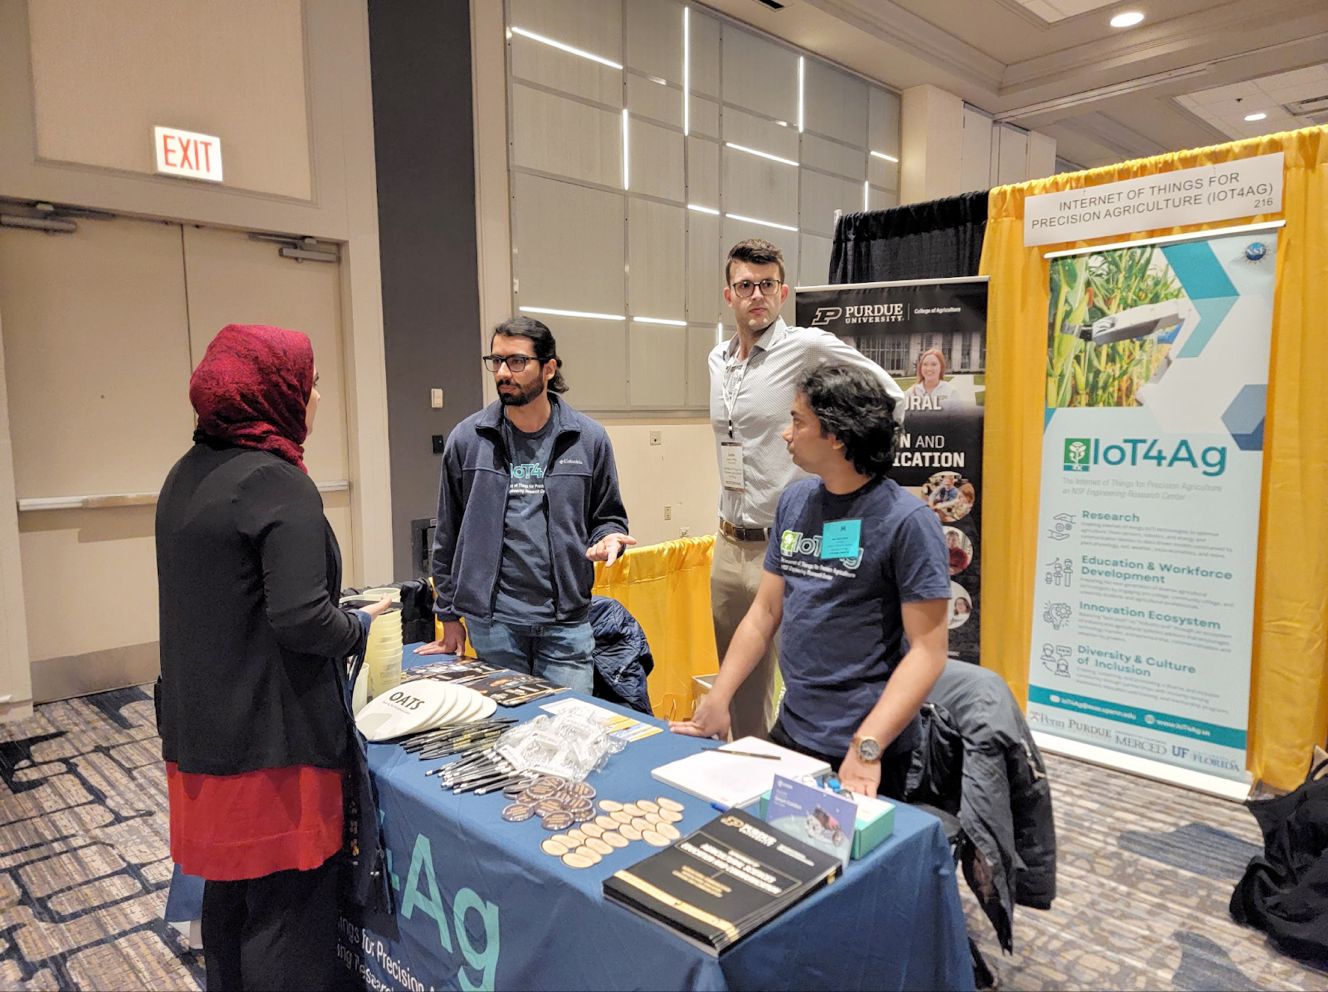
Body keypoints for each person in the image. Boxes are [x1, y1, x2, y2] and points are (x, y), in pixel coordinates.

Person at [155, 323, 392, 991]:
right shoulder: (277, 481)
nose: (317, 396)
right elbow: (302, 619)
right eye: (311, 383)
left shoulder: (188, 472)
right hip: (274, 745)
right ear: (279, 392)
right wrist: (359, 627)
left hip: (201, 734)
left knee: (230, 901)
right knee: (287, 917)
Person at [676, 364, 949, 798]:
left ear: (837, 435)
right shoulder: (796, 501)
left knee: (851, 864)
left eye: (798, 421)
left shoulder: (908, 523)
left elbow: (928, 652)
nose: (786, 433)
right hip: (796, 730)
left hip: (867, 749)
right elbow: (764, 613)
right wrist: (719, 696)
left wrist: (868, 746)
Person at [709, 238, 904, 741]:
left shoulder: (807, 347)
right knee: (742, 687)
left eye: (767, 285)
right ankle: (748, 784)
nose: (757, 295)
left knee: (811, 678)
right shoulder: (718, 360)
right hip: (730, 542)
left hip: (794, 543)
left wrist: (849, 483)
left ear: (783, 291)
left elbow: (889, 396)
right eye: (745, 285)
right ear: (729, 295)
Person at [417, 316, 634, 693]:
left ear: (549, 368)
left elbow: (607, 515)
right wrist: (448, 613)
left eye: (517, 361)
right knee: (502, 737)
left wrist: (610, 536)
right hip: (493, 625)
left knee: (568, 735)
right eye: (496, 361)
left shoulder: (589, 439)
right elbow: (448, 536)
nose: (503, 372)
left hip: (565, 626)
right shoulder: (468, 439)